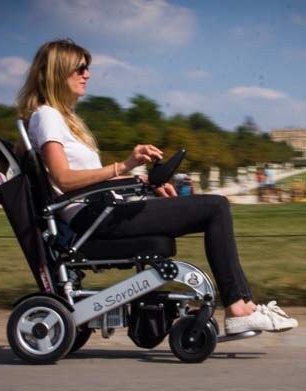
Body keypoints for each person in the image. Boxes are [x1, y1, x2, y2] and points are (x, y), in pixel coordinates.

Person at [17, 39, 298, 335]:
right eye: (81, 68)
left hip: (100, 211)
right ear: (58, 72)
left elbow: (86, 178)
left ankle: (242, 306)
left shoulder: (62, 119)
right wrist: (124, 167)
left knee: (213, 208)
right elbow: (64, 179)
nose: (87, 74)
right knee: (216, 207)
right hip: (93, 219)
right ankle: (240, 308)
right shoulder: (47, 116)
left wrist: (145, 184)